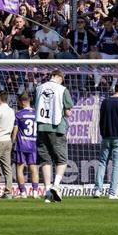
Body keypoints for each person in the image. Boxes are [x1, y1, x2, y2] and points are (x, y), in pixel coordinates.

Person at [35, 69, 74, 202]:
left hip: (41, 127)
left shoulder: (39, 88)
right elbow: (68, 112)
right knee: (61, 159)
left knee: (45, 160)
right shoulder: (62, 90)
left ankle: (47, 191)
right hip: (57, 127)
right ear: (58, 77)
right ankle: (56, 185)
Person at [95, 81, 118, 199]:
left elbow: (101, 118)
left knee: (102, 163)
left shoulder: (105, 102)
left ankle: (97, 190)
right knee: (116, 165)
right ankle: (112, 192)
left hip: (106, 136)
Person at [13, 93, 39, 198]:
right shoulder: (36, 114)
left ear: (22, 102)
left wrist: (12, 143)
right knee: (33, 168)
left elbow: (15, 131)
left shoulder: (18, 114)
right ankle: (35, 192)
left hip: (21, 145)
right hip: (33, 144)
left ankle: (23, 193)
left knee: (19, 169)